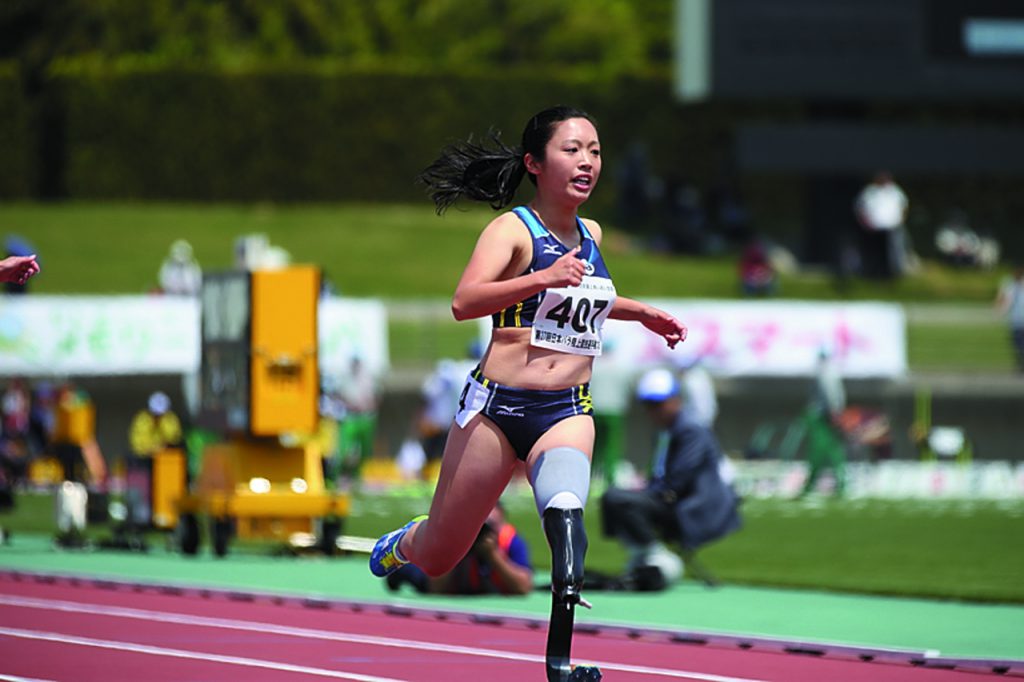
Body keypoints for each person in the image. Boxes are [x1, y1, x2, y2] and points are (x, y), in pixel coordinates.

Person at [368, 106, 686, 681]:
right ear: (535, 164)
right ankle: (406, 539)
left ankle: (559, 662)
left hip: (565, 409)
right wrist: (542, 276)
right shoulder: (512, 230)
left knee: (566, 519)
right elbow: (465, 301)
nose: (587, 161)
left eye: (594, 150)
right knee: (441, 552)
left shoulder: (591, 234)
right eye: (572, 150)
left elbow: (585, 298)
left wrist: (641, 314)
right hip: (496, 409)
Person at [601, 368, 740, 588]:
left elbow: (678, 480)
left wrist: (647, 493)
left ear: (676, 400)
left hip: (691, 507)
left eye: (658, 404)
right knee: (614, 497)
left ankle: (656, 556)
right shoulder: (665, 431)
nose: (653, 411)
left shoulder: (691, 431)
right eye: (648, 405)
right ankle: (642, 554)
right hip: (670, 499)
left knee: (619, 498)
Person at [387, 502, 534, 596]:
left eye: (488, 526)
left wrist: (493, 554)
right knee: (411, 572)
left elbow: (523, 587)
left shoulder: (511, 540)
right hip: (442, 578)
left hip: (482, 582)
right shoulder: (458, 538)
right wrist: (460, 548)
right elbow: (436, 588)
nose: (481, 531)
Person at [795, 347, 848, 497]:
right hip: (823, 416)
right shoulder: (828, 372)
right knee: (829, 450)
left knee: (823, 451)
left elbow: (831, 394)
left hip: (822, 416)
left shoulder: (825, 372)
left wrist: (834, 412)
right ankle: (839, 483)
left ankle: (815, 484)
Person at [854, 171, 909, 279]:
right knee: (874, 252)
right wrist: (865, 223)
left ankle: (892, 275)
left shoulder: (895, 191)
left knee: (892, 252)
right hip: (873, 229)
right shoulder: (870, 191)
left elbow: (904, 207)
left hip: (892, 227)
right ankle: (872, 274)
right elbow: (859, 208)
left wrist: (900, 221)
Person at [995, 266, 1024, 373]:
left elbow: (1007, 302)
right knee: (1018, 345)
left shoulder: (1014, 289)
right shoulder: (1013, 288)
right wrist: (1000, 312)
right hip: (1016, 321)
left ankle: (1020, 365)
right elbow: (1007, 302)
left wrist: (1000, 312)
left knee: (1019, 345)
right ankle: (1020, 365)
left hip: (1018, 321)